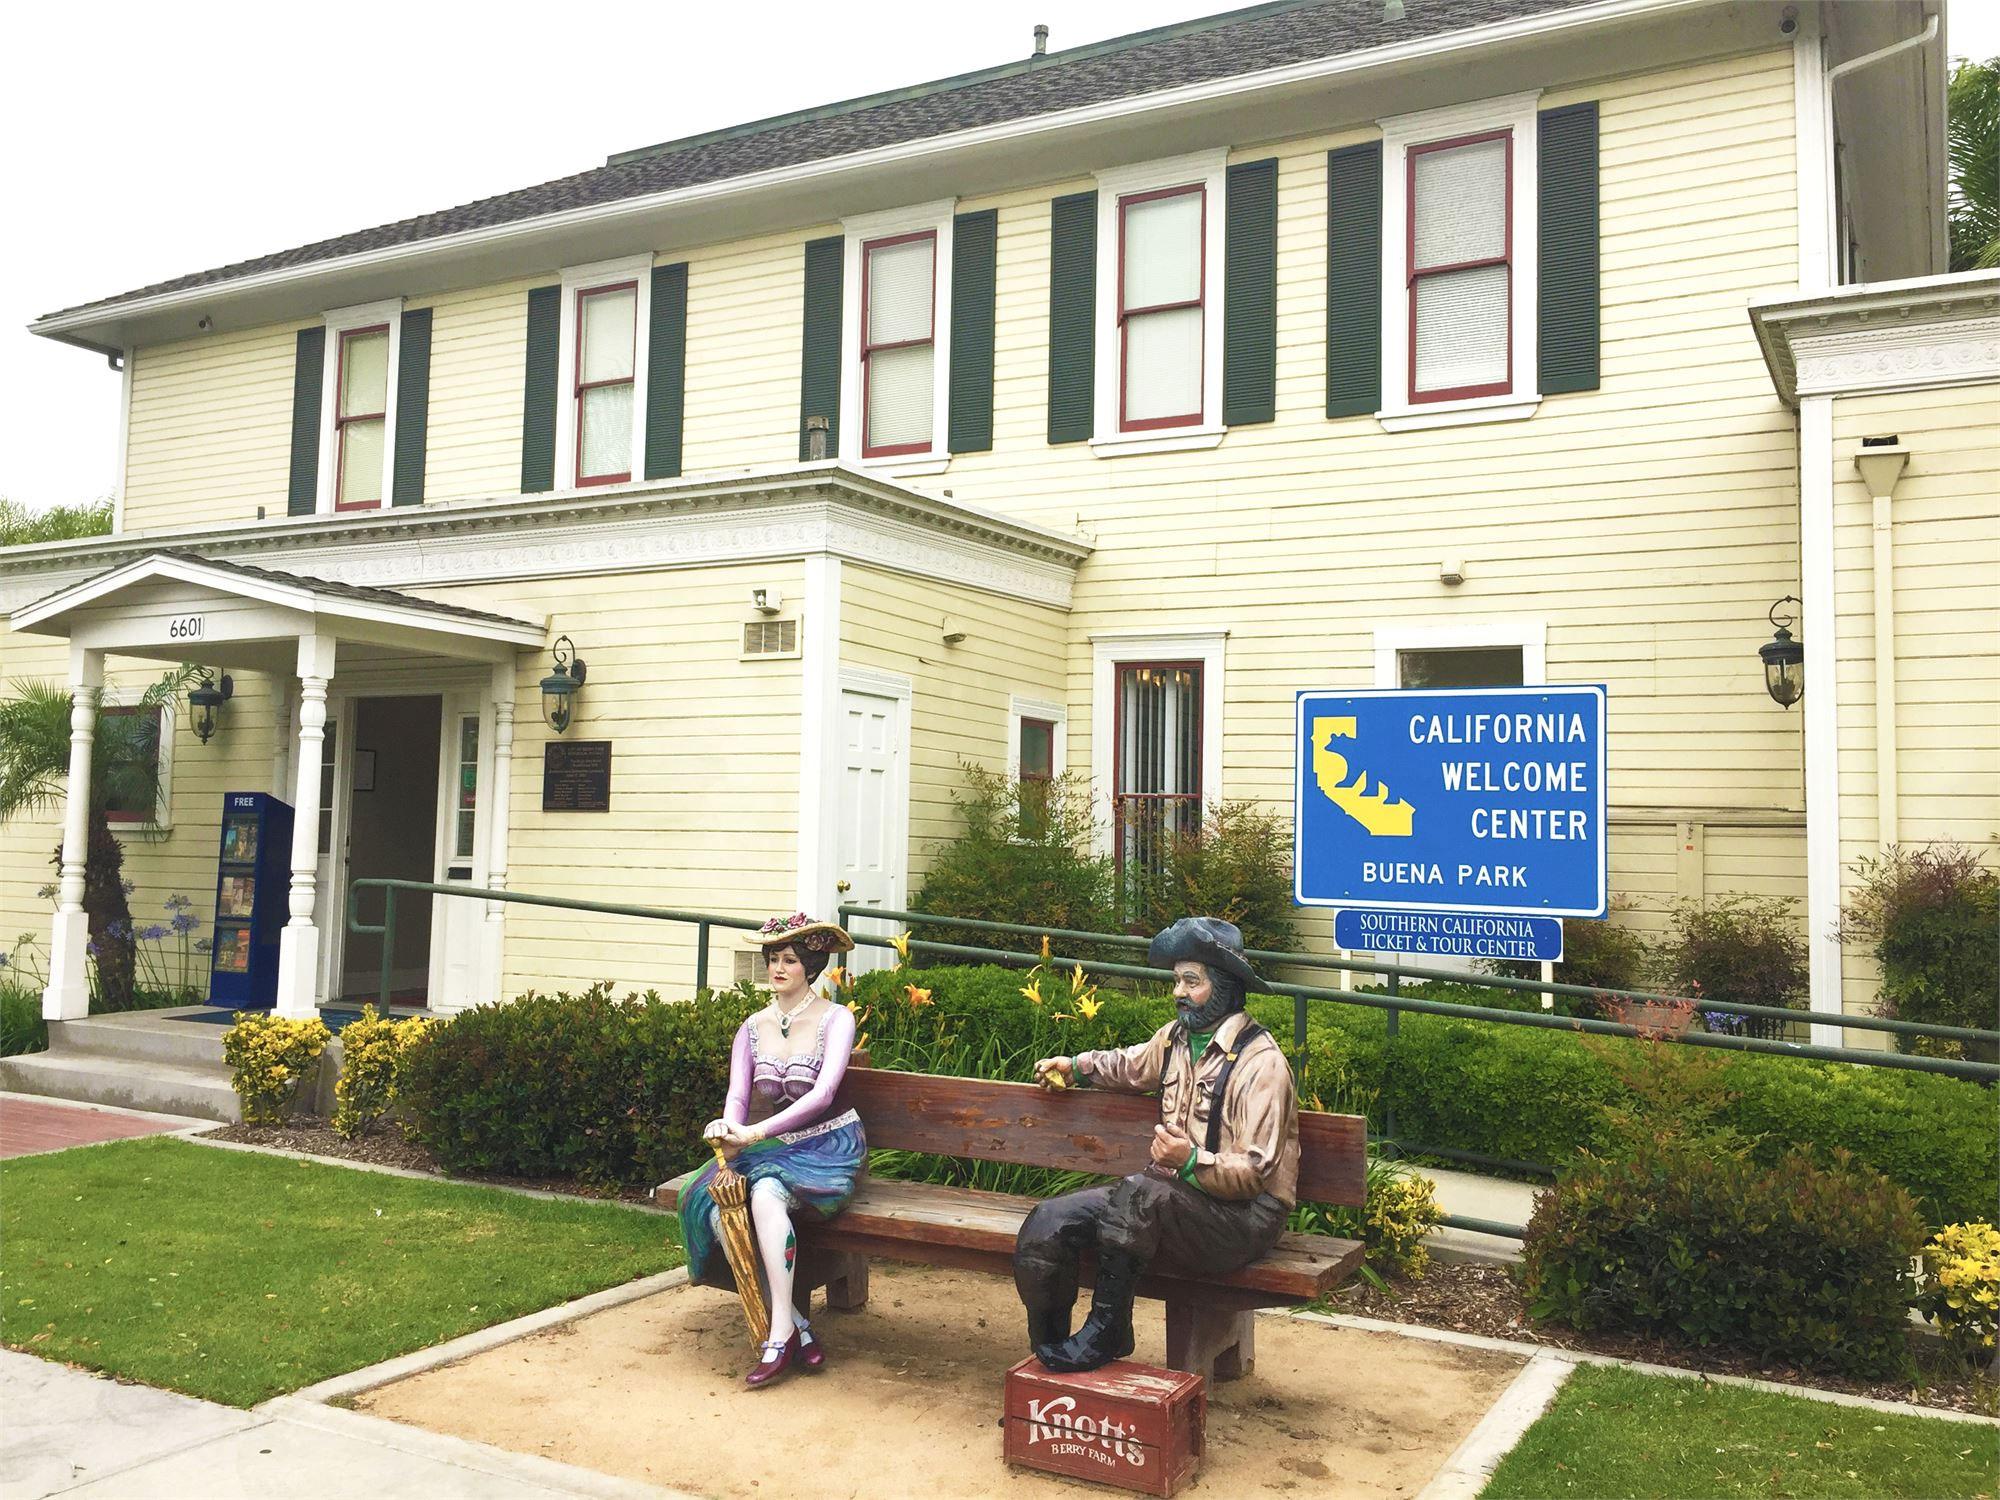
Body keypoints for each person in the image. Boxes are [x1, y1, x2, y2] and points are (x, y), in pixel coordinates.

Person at [1012, 916, 1300, 1373]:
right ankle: (1048, 1350)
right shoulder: (1176, 1038)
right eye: (1176, 980)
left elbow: (1254, 1174)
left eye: (1192, 981)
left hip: (1242, 1217)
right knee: (1049, 1222)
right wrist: (1077, 1067)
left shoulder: (1262, 1064)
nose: (1178, 992)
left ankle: (1106, 1332)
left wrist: (1189, 1162)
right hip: (1165, 1201)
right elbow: (1130, 1066)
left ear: (1224, 986)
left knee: (1140, 1194)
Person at [678, 913, 865, 1388]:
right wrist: (728, 1126)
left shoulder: (835, 1018)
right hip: (774, 1144)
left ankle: (779, 1332)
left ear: (811, 966)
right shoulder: (752, 1026)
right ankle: (795, 1326)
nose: (779, 968)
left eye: (790, 960)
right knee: (718, 1199)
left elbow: (821, 1096)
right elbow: (738, 1098)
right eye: (773, 959)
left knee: (763, 1193)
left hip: (831, 1141)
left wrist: (754, 1136)